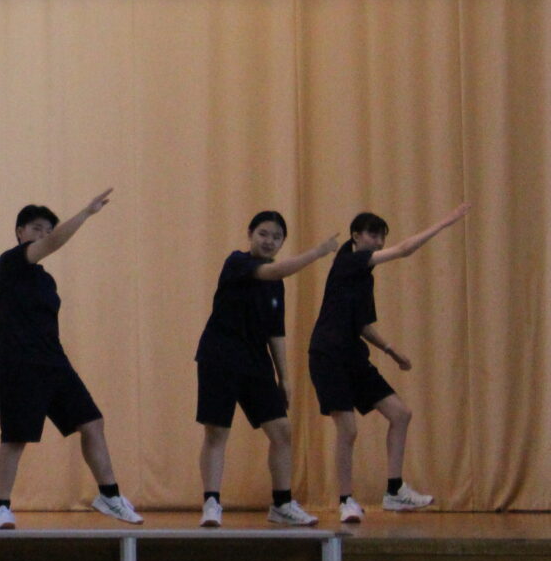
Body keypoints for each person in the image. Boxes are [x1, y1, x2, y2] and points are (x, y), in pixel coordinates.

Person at [0, 191, 141, 529]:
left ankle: (110, 495)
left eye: (48, 229)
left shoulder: (46, 280)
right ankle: (0, 508)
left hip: (54, 364)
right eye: (37, 228)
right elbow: (55, 243)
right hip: (18, 365)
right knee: (15, 438)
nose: (44, 234)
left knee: (92, 423)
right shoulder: (10, 261)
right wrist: (86, 212)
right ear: (20, 231)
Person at [309, 204, 470, 523]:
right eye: (373, 235)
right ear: (356, 236)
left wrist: (393, 351)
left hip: (353, 354)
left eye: (383, 236)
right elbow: (405, 250)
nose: (380, 242)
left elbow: (363, 325)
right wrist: (442, 223)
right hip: (328, 355)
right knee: (348, 429)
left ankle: (394, 491)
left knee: (400, 413)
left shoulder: (363, 277)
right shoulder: (348, 261)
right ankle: (345, 501)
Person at [196, 211, 337, 527]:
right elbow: (273, 272)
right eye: (263, 233)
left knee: (282, 431)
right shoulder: (237, 263)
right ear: (250, 234)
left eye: (276, 237)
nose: (269, 241)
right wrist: (317, 252)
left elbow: (276, 332)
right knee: (217, 431)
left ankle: (282, 504)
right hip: (219, 356)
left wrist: (284, 377)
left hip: (255, 362)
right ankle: (211, 503)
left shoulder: (277, 287)